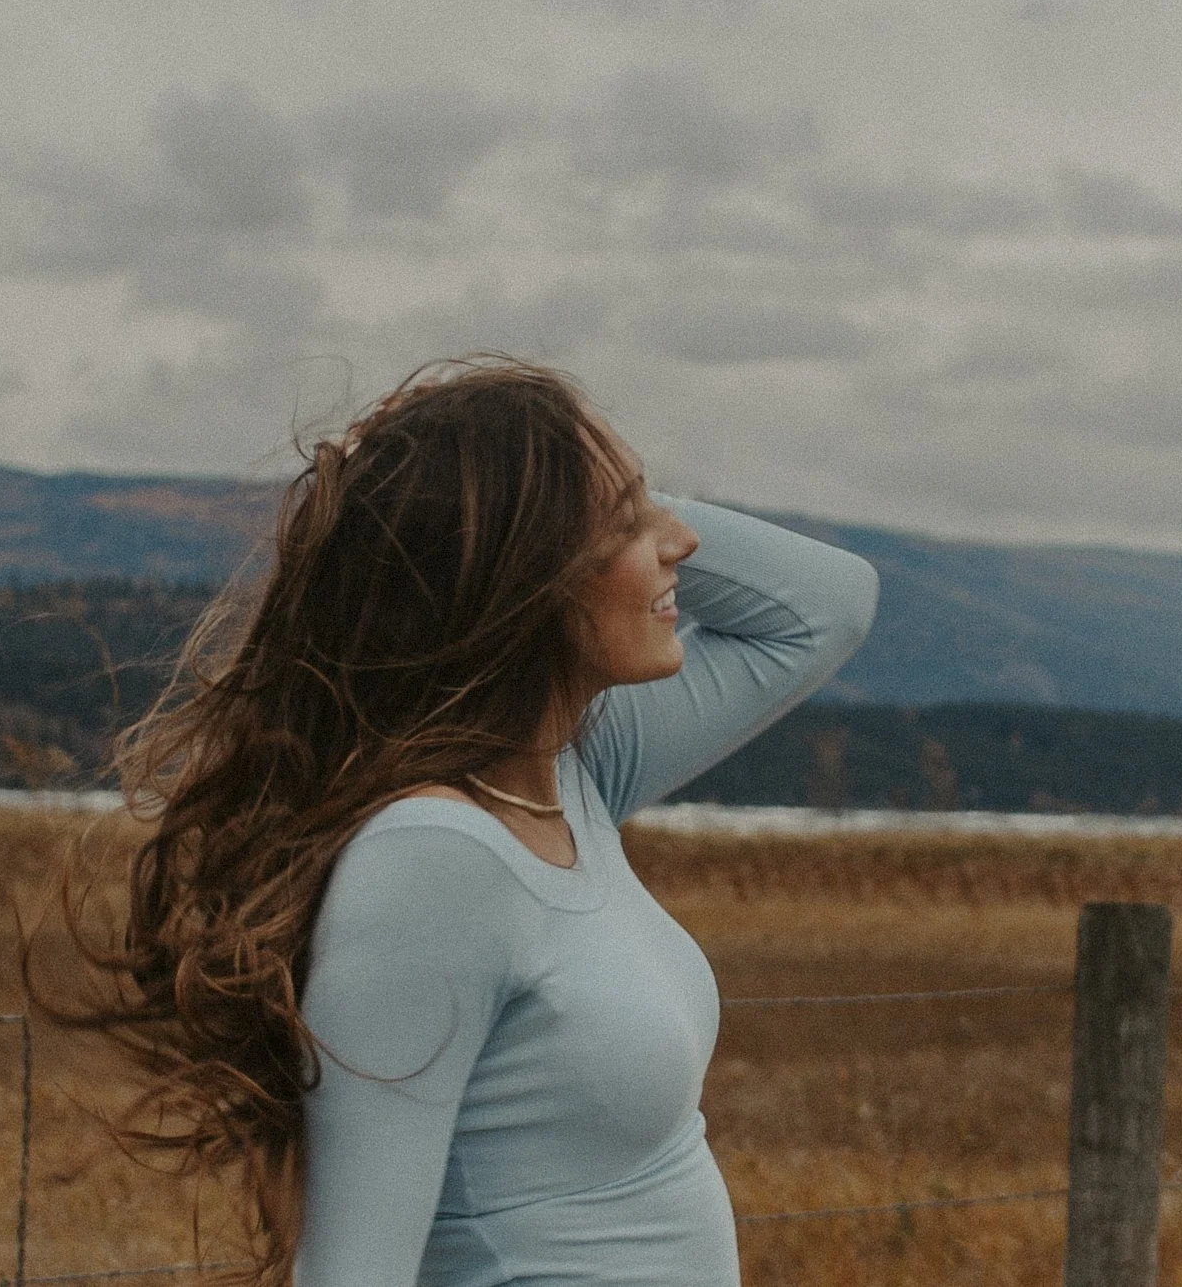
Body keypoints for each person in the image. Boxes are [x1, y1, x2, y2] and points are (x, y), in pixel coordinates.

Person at [55, 355, 879, 1286]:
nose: (681, 539)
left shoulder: (572, 780)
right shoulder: (432, 862)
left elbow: (829, 605)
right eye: (627, 526)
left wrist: (586, 475)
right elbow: (354, 1272)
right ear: (524, 577)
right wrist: (536, 483)